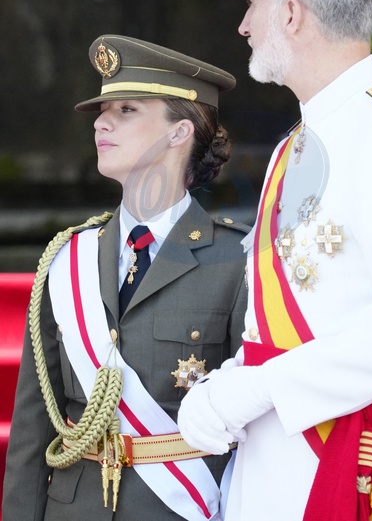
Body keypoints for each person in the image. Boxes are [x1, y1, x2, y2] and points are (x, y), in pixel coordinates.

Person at [178, 0, 372, 520]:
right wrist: (230, 381)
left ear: (291, 13)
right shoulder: (295, 143)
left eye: (252, 5)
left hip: (357, 465)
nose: (244, 26)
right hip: (276, 466)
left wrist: (258, 387)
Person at [2, 34, 248, 521]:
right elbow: (32, 429)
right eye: (102, 110)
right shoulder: (67, 259)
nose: (101, 122)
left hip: (180, 507)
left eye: (127, 109)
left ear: (180, 132)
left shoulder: (236, 260)